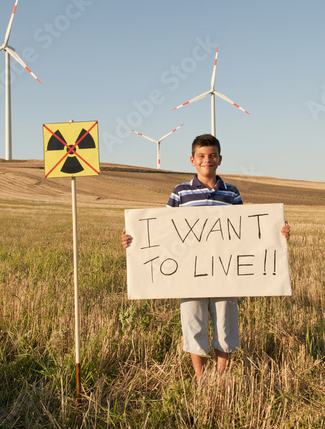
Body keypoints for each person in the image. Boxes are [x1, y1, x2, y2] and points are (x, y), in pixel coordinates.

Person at [122, 133, 290, 378]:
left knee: (225, 322)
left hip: (226, 271)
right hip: (188, 273)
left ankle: (221, 375)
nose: (207, 160)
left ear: (220, 159)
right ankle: (200, 377)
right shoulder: (180, 192)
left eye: (212, 156)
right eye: (201, 156)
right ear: (192, 160)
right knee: (193, 321)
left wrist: (279, 232)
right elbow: (162, 229)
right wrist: (133, 239)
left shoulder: (231, 193)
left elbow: (246, 231)